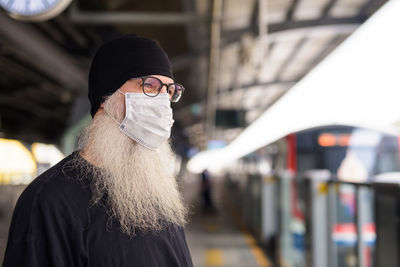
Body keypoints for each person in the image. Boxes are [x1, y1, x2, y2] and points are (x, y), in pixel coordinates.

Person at [3, 34, 193, 267]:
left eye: (170, 90)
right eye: (150, 86)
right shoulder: (49, 201)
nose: (163, 101)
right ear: (107, 97)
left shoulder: (157, 196)